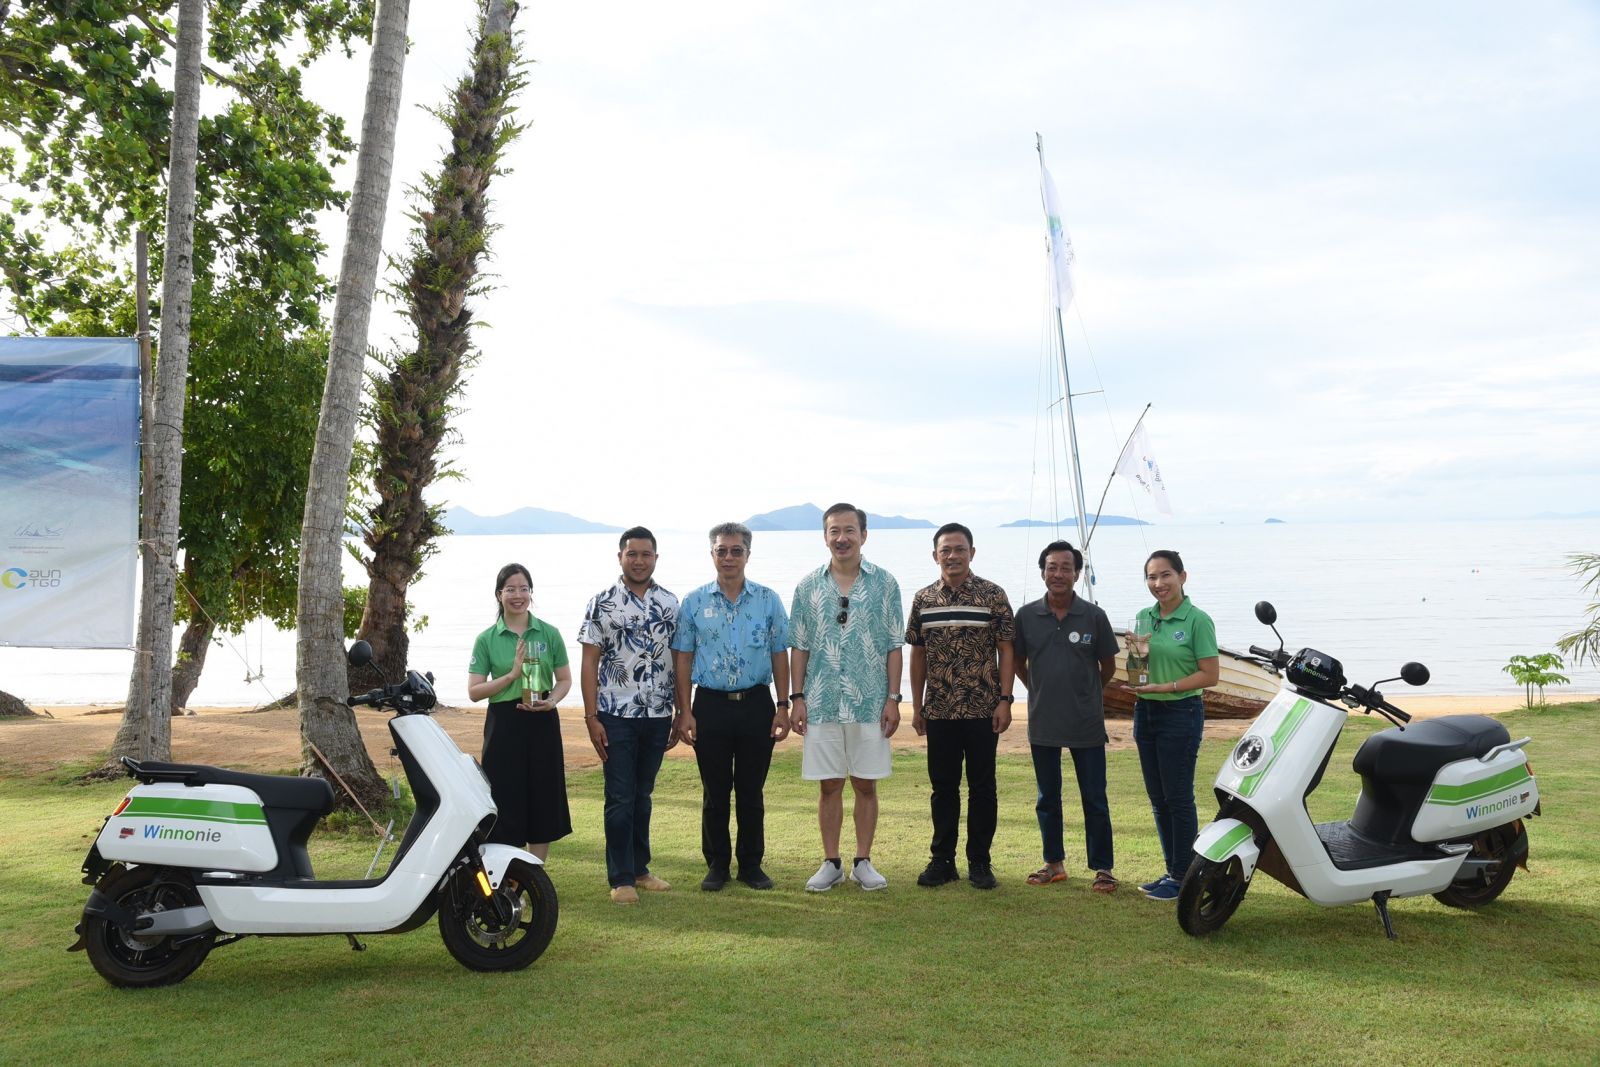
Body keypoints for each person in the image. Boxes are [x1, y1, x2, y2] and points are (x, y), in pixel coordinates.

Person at [788, 503, 904, 893]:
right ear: (825, 537)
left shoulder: (885, 583)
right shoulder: (808, 586)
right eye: (834, 531)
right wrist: (797, 697)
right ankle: (831, 863)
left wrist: (893, 698)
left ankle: (863, 862)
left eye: (849, 530)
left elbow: (894, 646)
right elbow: (799, 647)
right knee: (829, 785)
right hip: (821, 702)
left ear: (863, 535)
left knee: (866, 785)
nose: (842, 538)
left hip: (869, 702)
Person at [671, 522, 791, 891]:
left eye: (736, 550)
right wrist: (684, 711)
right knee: (715, 791)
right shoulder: (694, 602)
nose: (728, 557)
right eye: (721, 550)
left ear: (747, 555)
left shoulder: (768, 600)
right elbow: (683, 658)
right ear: (712, 554)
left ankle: (751, 865)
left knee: (751, 791)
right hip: (710, 706)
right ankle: (717, 865)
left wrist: (783, 706)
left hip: (756, 704)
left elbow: (780, 654)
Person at [906, 522, 1016, 890]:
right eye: (946, 550)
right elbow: (917, 654)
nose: (952, 556)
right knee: (943, 788)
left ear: (972, 553)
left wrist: (1005, 700)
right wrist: (917, 705)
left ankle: (980, 861)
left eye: (959, 549)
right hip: (939, 710)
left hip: (984, 708)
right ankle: (942, 860)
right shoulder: (923, 599)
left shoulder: (992, 595)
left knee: (983, 787)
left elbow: (1006, 649)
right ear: (935, 555)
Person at [577, 527, 680, 905]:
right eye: (632, 554)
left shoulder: (670, 603)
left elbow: (679, 660)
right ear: (620, 557)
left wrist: (681, 711)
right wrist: (591, 717)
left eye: (646, 554)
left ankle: (640, 869)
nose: (639, 561)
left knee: (643, 794)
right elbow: (589, 663)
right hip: (615, 714)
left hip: (658, 713)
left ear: (656, 558)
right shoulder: (601, 603)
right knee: (620, 796)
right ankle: (621, 878)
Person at [1012, 540, 1120, 893]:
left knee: (1095, 797)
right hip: (1043, 721)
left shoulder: (1094, 616)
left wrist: (1087, 692)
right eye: (1052, 567)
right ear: (1042, 572)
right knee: (1047, 797)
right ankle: (1053, 863)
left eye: (1066, 568)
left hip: (1086, 722)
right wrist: (1038, 688)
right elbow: (1017, 662)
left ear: (1077, 573)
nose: (1058, 574)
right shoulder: (1026, 616)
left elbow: (1108, 666)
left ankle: (1103, 867)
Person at [1126, 549, 1219, 901]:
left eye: (1165, 575)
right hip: (1146, 711)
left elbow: (1210, 675)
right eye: (1151, 577)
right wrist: (1135, 657)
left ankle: (1183, 877)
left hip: (1181, 712)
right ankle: (1172, 871)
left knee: (1178, 797)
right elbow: (1139, 674)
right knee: (1158, 798)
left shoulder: (1197, 620)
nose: (1158, 583)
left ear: (1182, 576)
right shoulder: (1143, 617)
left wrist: (1167, 687)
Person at [467, 563, 573, 860]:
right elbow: (474, 692)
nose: (518, 595)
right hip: (504, 723)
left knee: (543, 796)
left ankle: (534, 873)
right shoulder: (487, 638)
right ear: (498, 594)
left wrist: (552, 701)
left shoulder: (549, 633)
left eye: (523, 589)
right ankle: (510, 874)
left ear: (531, 593)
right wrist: (511, 676)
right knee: (505, 797)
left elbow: (564, 680)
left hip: (542, 720)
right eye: (510, 589)